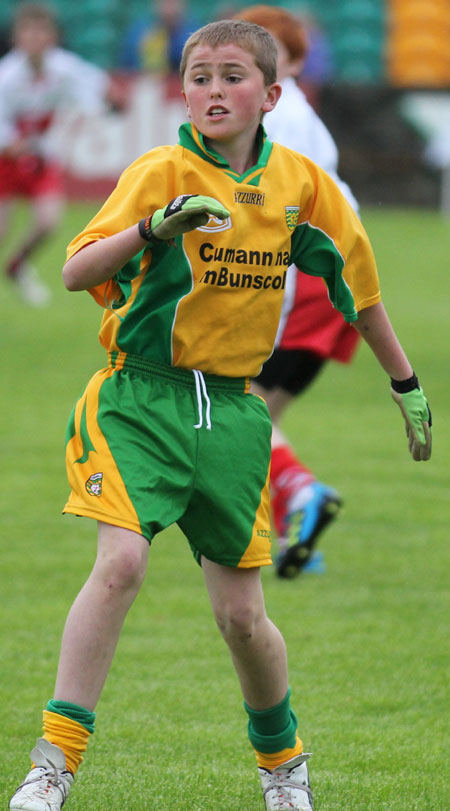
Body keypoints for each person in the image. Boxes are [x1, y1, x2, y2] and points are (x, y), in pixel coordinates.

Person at [9, 19, 431, 811]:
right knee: (121, 565)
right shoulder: (160, 170)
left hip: (235, 418)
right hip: (137, 400)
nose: (211, 89)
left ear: (271, 95)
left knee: (242, 617)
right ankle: (51, 768)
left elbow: (360, 294)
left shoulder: (300, 185)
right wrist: (150, 229)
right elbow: (73, 270)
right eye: (198, 75)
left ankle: (285, 770)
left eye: (231, 75)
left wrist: (405, 385)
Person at [235, 5, 361, 579]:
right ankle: (285, 532)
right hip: (332, 279)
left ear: (295, 63)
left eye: (269, 52)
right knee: (251, 423)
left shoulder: (279, 118)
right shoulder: (297, 117)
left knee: (240, 411)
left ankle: (301, 495)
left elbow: (266, 206)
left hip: (304, 280)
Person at [0, 2, 110, 306]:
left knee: (49, 221)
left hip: (40, 156)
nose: (35, 38)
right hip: (6, 159)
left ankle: (17, 264)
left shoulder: (63, 67)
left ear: (52, 36)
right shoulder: (7, 75)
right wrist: (16, 147)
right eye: (28, 31)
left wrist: (104, 102)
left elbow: (94, 86)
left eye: (41, 31)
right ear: (17, 38)